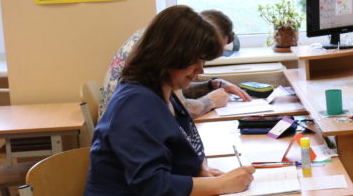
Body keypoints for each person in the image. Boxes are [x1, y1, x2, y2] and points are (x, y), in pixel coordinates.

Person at [68, 5, 255, 196]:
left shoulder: (162, 93)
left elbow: (172, 154)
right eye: (195, 61)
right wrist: (220, 184)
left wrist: (201, 174)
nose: (200, 70)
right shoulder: (135, 104)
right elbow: (153, 185)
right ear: (171, 55)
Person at [99, 8, 250, 117]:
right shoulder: (165, 50)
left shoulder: (157, 35)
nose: (200, 69)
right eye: (200, 58)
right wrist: (211, 101)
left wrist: (212, 85)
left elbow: (175, 91)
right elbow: (182, 108)